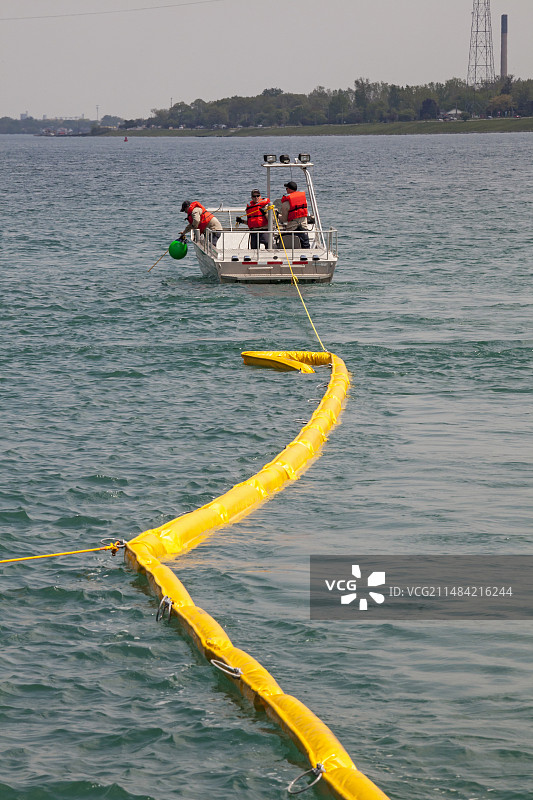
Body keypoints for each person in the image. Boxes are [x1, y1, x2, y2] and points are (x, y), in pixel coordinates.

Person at [280, 180, 310, 249]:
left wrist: (278, 216)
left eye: (286, 188)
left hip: (292, 229)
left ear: (289, 189)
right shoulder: (304, 200)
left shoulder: (285, 204)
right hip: (303, 228)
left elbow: (284, 219)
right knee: (306, 248)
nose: (286, 190)